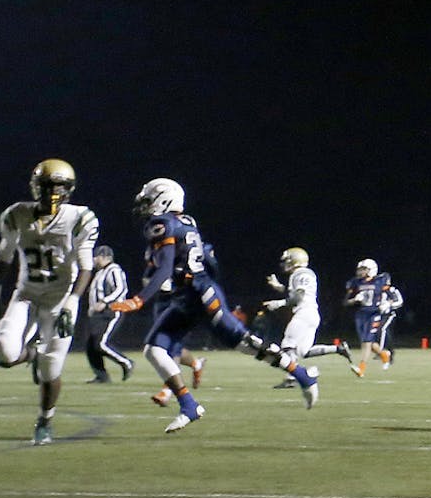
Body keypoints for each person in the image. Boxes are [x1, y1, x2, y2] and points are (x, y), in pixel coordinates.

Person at [108, 178, 323, 428]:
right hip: (189, 295)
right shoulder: (187, 222)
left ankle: (302, 375)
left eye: (148, 200)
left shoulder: (162, 223)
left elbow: (165, 267)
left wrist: (139, 299)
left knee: (244, 343)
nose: (144, 206)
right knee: (154, 349)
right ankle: (189, 406)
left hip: (199, 295)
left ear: (163, 199)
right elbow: (209, 263)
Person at [0, 159, 101, 445]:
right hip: (26, 294)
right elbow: (4, 254)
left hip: (60, 297)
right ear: (35, 186)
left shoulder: (80, 217)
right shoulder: (16, 214)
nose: (52, 191)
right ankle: (32, 355)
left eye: (58, 186)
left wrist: (72, 302)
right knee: (3, 353)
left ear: (69, 189)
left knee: (51, 367)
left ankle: (44, 420)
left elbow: (86, 266)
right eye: (47, 185)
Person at [262, 246, 355, 387]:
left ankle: (291, 378)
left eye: (287, 260)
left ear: (294, 261)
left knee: (287, 345)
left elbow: (298, 297)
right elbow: (296, 293)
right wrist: (279, 287)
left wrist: (278, 303)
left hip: (303, 313)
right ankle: (338, 349)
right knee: (303, 351)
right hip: (312, 313)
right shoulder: (306, 273)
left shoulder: (298, 274)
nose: (284, 264)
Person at [82, 245, 135, 383]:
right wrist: (92, 308)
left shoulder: (113, 269)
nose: (94, 259)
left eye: (96, 256)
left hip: (111, 311)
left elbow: (121, 288)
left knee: (100, 344)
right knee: (90, 345)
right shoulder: (100, 272)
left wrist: (105, 302)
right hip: (99, 313)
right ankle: (102, 376)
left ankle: (126, 362)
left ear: (104, 257)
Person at [345, 259, 396, 374]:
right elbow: (345, 302)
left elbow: (392, 297)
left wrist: (387, 304)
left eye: (364, 269)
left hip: (374, 314)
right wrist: (354, 299)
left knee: (366, 342)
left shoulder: (379, 281)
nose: (360, 272)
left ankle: (361, 369)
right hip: (361, 314)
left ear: (371, 270)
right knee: (368, 343)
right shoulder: (356, 282)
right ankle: (384, 355)